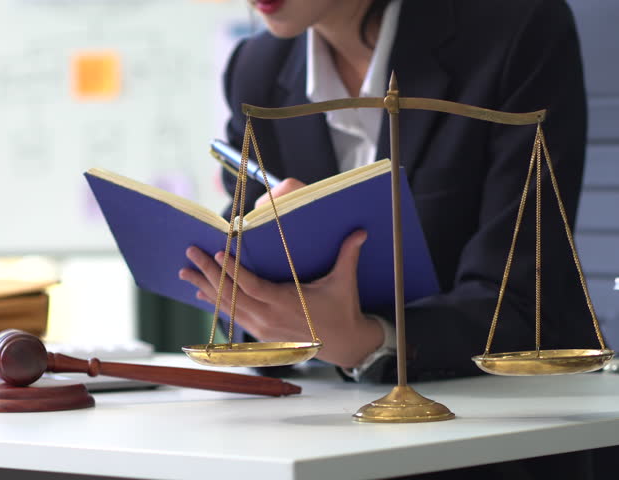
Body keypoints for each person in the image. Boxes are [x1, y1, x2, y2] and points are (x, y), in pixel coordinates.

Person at [178, 0, 592, 384]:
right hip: (317, 423)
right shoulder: (257, 67)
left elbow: (522, 302)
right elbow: (251, 291)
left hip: (504, 427)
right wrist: (255, 289)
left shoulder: (516, 29)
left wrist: (365, 342)